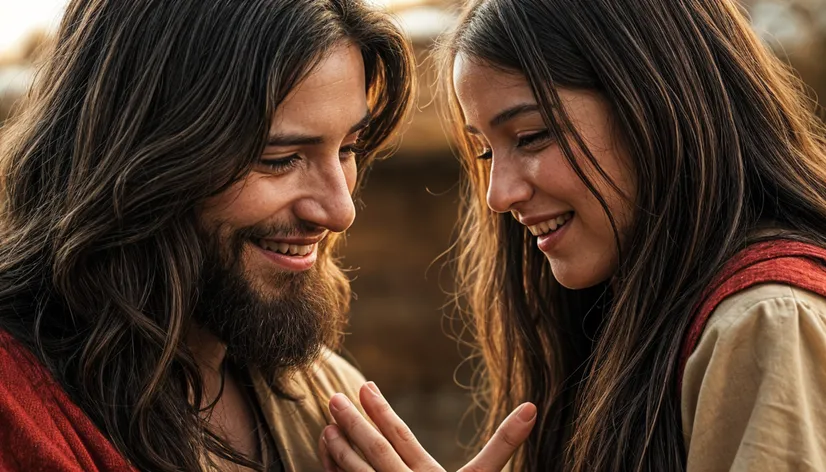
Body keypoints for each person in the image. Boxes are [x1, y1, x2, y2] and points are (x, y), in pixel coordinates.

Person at [319, 0, 826, 471]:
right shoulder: (623, 318)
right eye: (486, 152)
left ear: (653, 100)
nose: (499, 195)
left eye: (532, 136)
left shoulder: (766, 320)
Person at [0, 0, 417, 470]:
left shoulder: (329, 399)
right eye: (279, 158)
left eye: (348, 149)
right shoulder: (20, 412)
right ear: (142, 158)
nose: (340, 211)